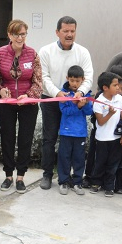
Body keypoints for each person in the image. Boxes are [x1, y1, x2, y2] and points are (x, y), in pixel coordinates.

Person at [39, 16, 93, 190]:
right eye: (65, 31)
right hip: (51, 99)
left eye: (72, 31)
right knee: (49, 139)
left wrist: (80, 93)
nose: (69, 35)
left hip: (76, 103)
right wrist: (58, 93)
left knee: (73, 141)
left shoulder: (83, 52)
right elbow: (43, 77)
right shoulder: (45, 51)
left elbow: (89, 77)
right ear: (57, 32)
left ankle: (73, 177)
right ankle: (47, 174)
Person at [0, 19, 42, 194]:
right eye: (16, 34)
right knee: (7, 138)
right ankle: (8, 175)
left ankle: (20, 176)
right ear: (9, 35)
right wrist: (1, 90)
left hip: (27, 103)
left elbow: (38, 82)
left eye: (23, 34)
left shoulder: (33, 54)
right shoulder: (0, 54)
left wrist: (28, 96)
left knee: (25, 139)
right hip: (7, 103)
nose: (20, 38)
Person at [83, 64, 122, 188]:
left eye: (119, 84)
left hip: (116, 137)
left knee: (113, 163)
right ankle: (94, 181)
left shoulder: (119, 98)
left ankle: (109, 185)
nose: (118, 87)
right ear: (105, 87)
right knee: (99, 162)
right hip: (101, 138)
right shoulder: (98, 100)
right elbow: (100, 121)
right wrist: (110, 113)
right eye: (115, 85)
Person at [57, 65, 92, 196]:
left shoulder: (86, 94)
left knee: (79, 158)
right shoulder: (63, 94)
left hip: (80, 133)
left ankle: (77, 182)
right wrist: (77, 106)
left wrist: (84, 104)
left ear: (83, 80)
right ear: (67, 79)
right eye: (72, 80)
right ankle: (64, 181)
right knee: (64, 157)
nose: (74, 84)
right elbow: (65, 111)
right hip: (66, 132)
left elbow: (89, 112)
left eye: (77, 81)